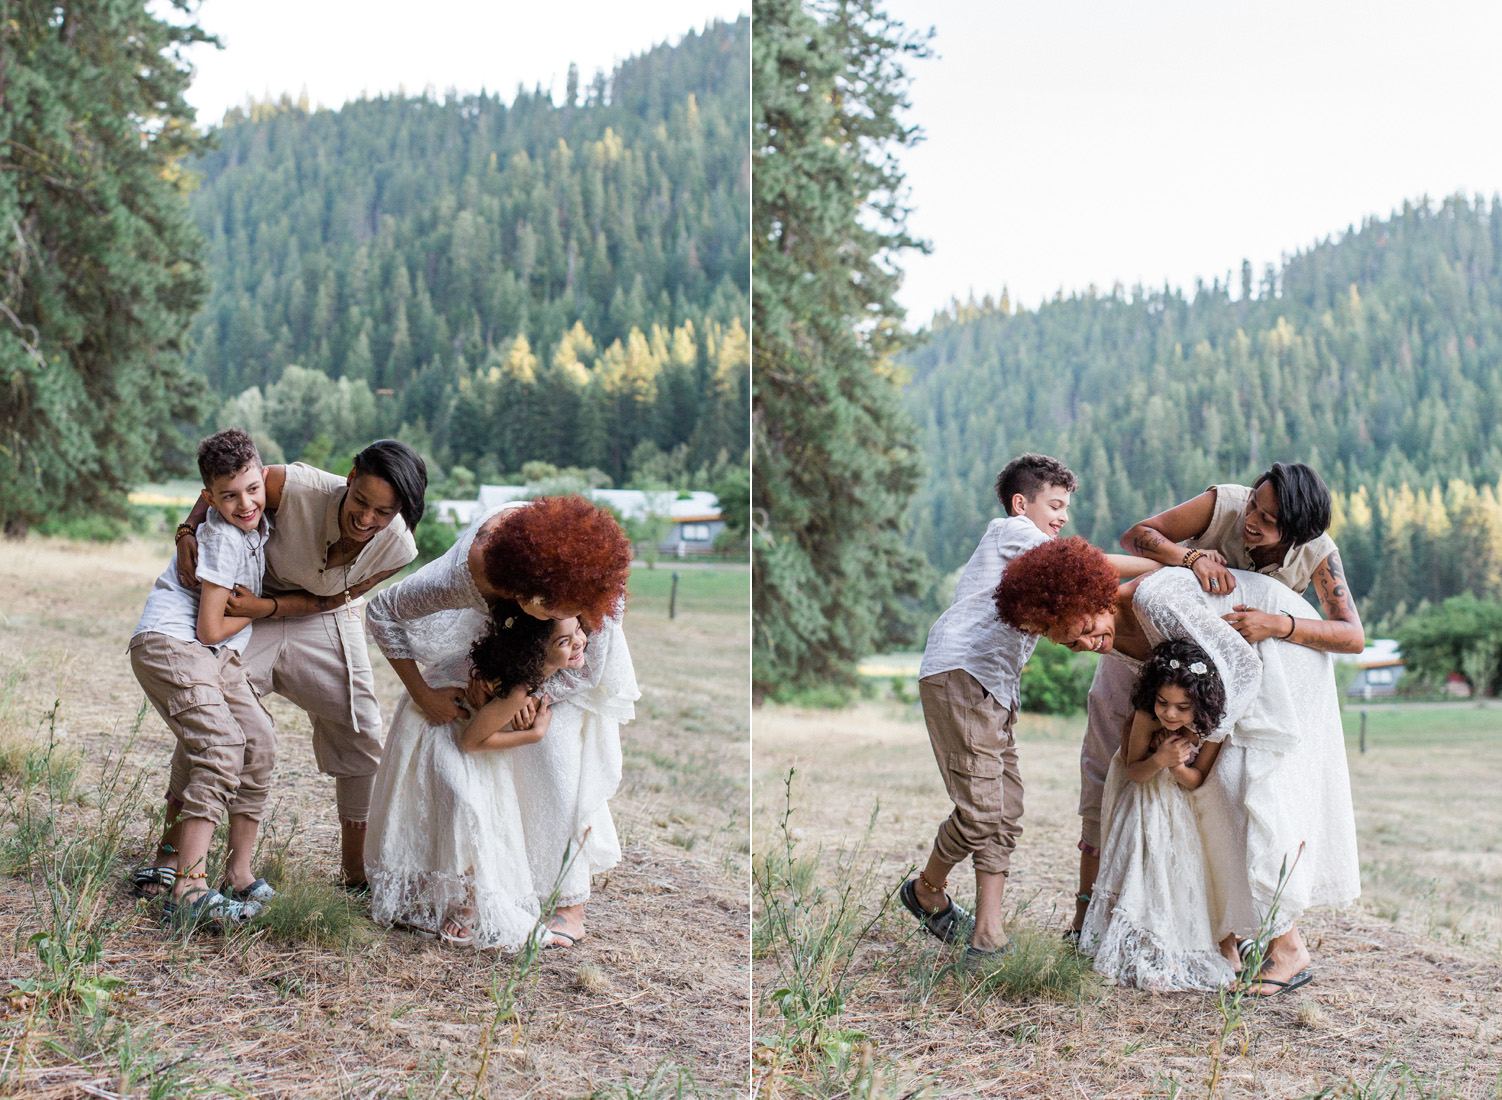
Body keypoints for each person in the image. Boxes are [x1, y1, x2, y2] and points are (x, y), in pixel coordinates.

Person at [995, 538, 1360, 996]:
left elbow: (1242, 668)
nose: (1088, 644)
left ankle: (1288, 948)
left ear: (1097, 594)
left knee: (1232, 790)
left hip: (1277, 657)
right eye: (1071, 642)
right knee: (1195, 799)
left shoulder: (1156, 601)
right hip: (1227, 680)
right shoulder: (1108, 634)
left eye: (1087, 626)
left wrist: (1194, 739)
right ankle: (1225, 943)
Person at [1067, 463, 1363, 941]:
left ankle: (1230, 928)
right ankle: (1087, 914)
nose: (1252, 520)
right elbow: (1136, 535)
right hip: (1153, 649)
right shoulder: (1223, 503)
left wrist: (1278, 624)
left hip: (1225, 681)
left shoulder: (1318, 554)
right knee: (1107, 766)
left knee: (1217, 788)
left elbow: (1351, 636)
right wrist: (1188, 559)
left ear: (1298, 531)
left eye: (1269, 520)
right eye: (1254, 506)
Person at [903, 454, 1154, 961]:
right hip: (963, 673)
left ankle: (987, 933)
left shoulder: (1036, 561)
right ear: (1023, 504)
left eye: (1066, 508)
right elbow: (1089, 564)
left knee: (1006, 809)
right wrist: (1172, 564)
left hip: (995, 689)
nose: (1062, 517)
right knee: (982, 813)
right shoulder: (1010, 530)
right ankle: (927, 890)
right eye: (1055, 505)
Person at [365, 495, 637, 948]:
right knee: (466, 760)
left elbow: (590, 668)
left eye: (571, 608)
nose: (561, 613)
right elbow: (382, 611)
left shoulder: (595, 591)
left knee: (556, 759)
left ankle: (569, 903)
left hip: (564, 664)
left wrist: (533, 696)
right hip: (494, 647)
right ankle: (476, 888)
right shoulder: (467, 576)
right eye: (553, 607)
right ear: (523, 592)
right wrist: (426, 693)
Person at [173, 440, 425, 887]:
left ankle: (355, 874)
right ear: (349, 478)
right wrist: (187, 531)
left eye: (383, 513)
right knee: (213, 710)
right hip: (247, 599)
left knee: (362, 728)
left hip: (316, 613)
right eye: (361, 501)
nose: (367, 518)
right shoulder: (292, 483)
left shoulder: (399, 549)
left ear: (401, 512)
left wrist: (265, 608)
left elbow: (329, 598)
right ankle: (173, 856)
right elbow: (230, 484)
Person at [366, 605, 610, 950]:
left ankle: (463, 899)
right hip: (441, 723)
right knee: (467, 808)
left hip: (467, 729)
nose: (580, 642)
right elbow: (472, 741)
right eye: (565, 641)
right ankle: (457, 899)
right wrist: (532, 735)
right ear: (538, 652)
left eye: (579, 631)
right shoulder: (519, 687)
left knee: (480, 811)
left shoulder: (529, 679)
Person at [128, 429, 277, 929]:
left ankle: (239, 872)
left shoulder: (258, 514)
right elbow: (209, 625)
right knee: (218, 744)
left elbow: (245, 488)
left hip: (216, 656)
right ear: (209, 497)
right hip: (175, 644)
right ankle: (189, 887)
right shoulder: (220, 535)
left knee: (258, 740)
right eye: (228, 496)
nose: (245, 503)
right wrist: (260, 611)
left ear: (264, 476)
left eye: (252, 489)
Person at [1079, 640, 1236, 991]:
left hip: (1180, 809)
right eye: (1163, 703)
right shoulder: (1146, 718)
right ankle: (1131, 942)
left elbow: (1197, 780)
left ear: (1201, 703)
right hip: (1142, 802)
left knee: (1173, 872)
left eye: (1182, 707)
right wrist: (1159, 760)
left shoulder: (1209, 731)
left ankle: (1170, 942)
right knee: (1140, 868)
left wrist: (1177, 766)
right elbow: (1134, 771)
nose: (1171, 714)